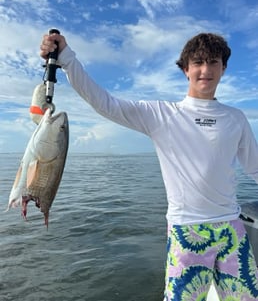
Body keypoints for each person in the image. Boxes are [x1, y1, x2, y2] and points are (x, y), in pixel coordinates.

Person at [40, 32, 258, 300]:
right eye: (198, 62)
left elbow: (255, 168)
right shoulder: (161, 115)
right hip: (186, 230)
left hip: (231, 228)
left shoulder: (236, 118)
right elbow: (105, 103)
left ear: (223, 68)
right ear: (185, 69)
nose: (206, 69)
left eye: (213, 62)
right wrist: (67, 59)